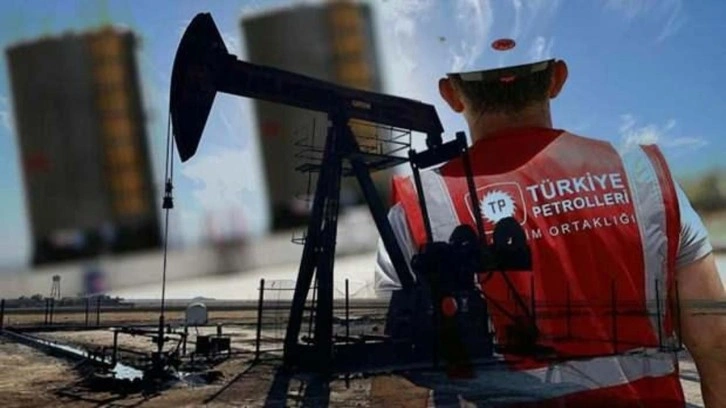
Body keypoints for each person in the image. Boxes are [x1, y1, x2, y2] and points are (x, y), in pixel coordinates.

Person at [374, 41, 725, 407]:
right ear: (557, 78)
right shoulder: (645, 180)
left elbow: (397, 383)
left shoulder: (420, 209)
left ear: (451, 94)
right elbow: (716, 344)